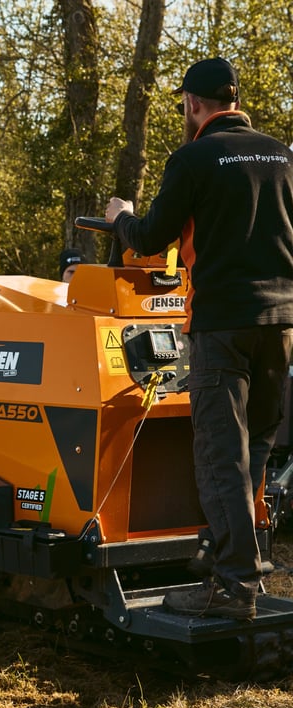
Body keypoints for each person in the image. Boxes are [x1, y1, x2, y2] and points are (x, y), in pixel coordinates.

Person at [105, 57, 293, 621]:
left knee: (219, 453)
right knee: (254, 448)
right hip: (281, 325)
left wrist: (120, 217)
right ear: (235, 99)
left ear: (192, 103)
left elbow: (148, 238)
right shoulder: (283, 156)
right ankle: (227, 555)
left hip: (221, 325)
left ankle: (233, 586)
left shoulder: (192, 158)